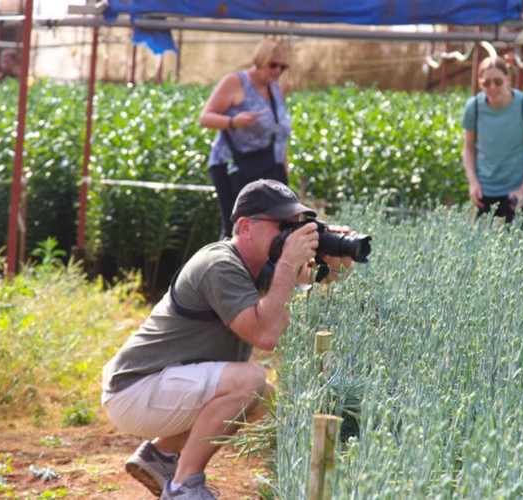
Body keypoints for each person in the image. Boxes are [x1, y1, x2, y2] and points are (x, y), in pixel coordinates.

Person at [101, 179, 353, 499]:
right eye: (282, 226)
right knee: (249, 380)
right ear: (246, 227)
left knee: (264, 395)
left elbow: (311, 279)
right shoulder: (219, 265)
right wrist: (290, 260)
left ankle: (160, 458)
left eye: (295, 226)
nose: (289, 234)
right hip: (134, 388)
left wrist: (335, 259)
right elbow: (267, 334)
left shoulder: (255, 263)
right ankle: (183, 486)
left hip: (154, 384)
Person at [199, 38, 292, 238]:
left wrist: (285, 170)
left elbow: (278, 135)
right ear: (260, 60)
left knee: (273, 230)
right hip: (235, 167)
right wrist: (234, 122)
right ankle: (226, 267)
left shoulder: (274, 88)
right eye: (273, 65)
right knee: (238, 230)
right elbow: (205, 118)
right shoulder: (236, 82)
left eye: (282, 67)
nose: (277, 71)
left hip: (268, 167)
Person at [461, 56, 523, 223]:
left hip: (515, 193)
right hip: (483, 191)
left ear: (508, 79)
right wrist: (473, 183)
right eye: (486, 83)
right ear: (480, 83)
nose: (492, 87)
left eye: (498, 82)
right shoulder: (474, 107)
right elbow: (468, 148)